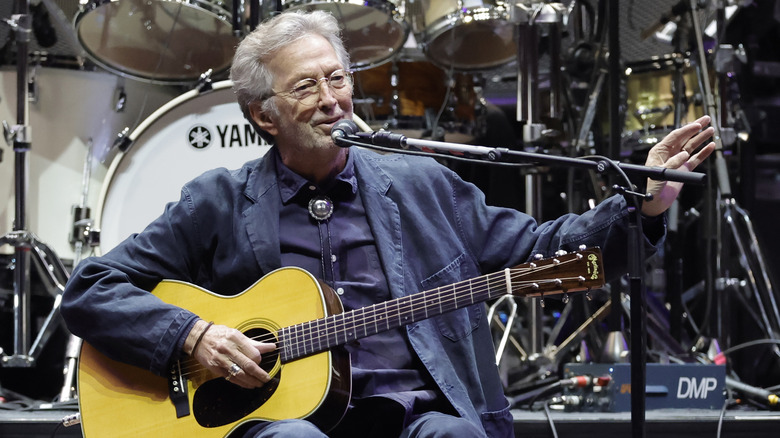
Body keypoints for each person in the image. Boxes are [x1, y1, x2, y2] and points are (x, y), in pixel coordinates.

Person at [61, 10, 715, 438]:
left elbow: (543, 249)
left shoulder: (419, 182)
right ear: (263, 115)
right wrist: (193, 335)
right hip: (280, 421)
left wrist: (647, 203)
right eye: (306, 87)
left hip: (411, 414)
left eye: (338, 78)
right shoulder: (219, 201)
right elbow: (90, 291)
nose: (331, 98)